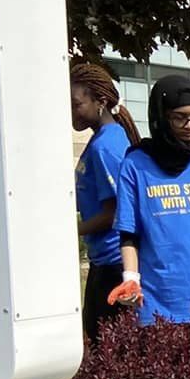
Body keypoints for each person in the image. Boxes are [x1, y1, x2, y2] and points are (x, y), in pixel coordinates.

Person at [109, 76, 190, 330]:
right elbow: (128, 232)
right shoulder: (135, 165)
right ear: (161, 117)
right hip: (156, 299)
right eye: (180, 118)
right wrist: (131, 277)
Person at [70, 61, 139, 342]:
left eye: (76, 103)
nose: (70, 111)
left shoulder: (106, 146)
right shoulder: (101, 139)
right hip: (103, 262)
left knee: (106, 348)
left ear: (100, 101)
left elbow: (116, 213)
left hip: (113, 265)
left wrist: (71, 231)